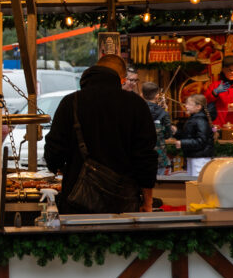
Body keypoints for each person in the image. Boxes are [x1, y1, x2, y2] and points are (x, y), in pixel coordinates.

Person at [45, 54, 158, 213]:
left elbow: (53, 152)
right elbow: (146, 157)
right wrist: (147, 202)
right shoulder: (136, 105)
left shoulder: (71, 102)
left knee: (77, 239)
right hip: (123, 204)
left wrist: (66, 168)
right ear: (121, 78)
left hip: (77, 202)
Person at [167, 93, 215, 175]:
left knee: (197, 183)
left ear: (198, 107)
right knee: (191, 183)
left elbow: (201, 141)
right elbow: (188, 136)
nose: (186, 106)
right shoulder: (193, 118)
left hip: (200, 158)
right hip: (193, 156)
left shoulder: (200, 120)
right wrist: (176, 132)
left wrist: (182, 143)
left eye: (189, 104)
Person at [141, 81, 174, 173]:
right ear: (157, 96)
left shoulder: (136, 111)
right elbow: (168, 135)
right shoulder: (163, 113)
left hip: (141, 156)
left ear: (142, 94)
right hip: (159, 157)